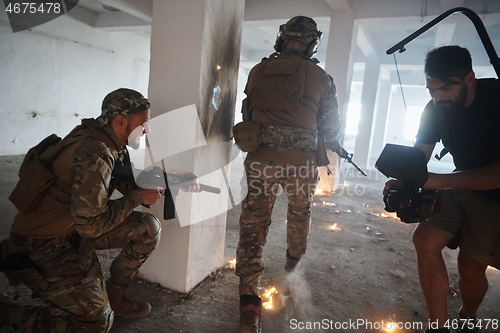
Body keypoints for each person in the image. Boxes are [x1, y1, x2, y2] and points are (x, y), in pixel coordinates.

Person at [0, 88, 197, 332]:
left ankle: (115, 296)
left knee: (147, 227)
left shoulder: (108, 140)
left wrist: (170, 181)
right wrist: (137, 196)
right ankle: (9, 313)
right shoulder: (95, 154)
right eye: (143, 124)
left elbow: (124, 180)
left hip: (72, 229)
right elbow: (92, 226)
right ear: (121, 121)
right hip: (42, 244)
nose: (147, 130)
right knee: (95, 324)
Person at [235, 16, 341, 333]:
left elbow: (248, 114)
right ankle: (293, 266)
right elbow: (331, 128)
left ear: (282, 39)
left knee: (253, 226)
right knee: (299, 212)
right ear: (312, 43)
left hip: (260, 161)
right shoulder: (322, 77)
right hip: (300, 164)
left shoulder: (256, 71)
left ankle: (250, 306)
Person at [384, 46, 500, 333]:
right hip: (461, 187)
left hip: (495, 196)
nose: (437, 97)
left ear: (470, 78)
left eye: (444, 88)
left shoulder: (496, 101)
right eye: (430, 89)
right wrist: (405, 179)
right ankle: (438, 328)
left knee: (470, 270)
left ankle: (467, 318)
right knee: (424, 240)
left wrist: (442, 180)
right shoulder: (434, 108)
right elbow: (419, 156)